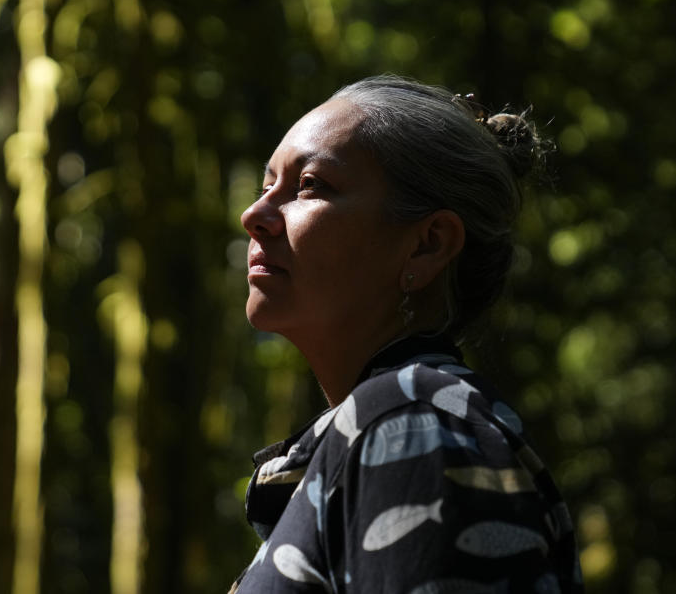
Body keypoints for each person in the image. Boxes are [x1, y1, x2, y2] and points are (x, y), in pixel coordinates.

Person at [230, 75, 581, 593]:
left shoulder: (415, 426)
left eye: (310, 185)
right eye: (266, 187)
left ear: (427, 245)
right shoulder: (390, 427)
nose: (253, 215)